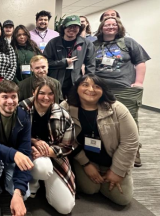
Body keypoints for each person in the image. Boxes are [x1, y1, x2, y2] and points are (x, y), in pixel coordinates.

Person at [62, 74, 139, 205]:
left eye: (96, 86)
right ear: (77, 88)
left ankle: (108, 177)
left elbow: (130, 142)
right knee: (89, 189)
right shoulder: (66, 107)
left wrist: (117, 171)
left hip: (113, 159)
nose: (91, 89)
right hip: (85, 158)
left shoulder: (117, 109)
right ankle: (96, 179)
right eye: (85, 85)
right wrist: (86, 164)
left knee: (123, 199)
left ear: (103, 90)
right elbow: (65, 139)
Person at [93, 17, 150, 167]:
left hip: (124, 88)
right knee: (102, 120)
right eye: (107, 24)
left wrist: (138, 83)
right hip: (100, 88)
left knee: (129, 121)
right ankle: (108, 151)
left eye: (114, 24)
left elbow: (140, 62)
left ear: (118, 27)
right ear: (101, 27)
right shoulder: (95, 44)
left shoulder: (128, 42)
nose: (110, 27)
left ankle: (134, 153)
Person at [19, 78, 75, 214]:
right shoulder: (20, 108)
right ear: (34, 92)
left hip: (54, 157)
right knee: (43, 168)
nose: (46, 97)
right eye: (42, 93)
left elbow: (68, 146)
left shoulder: (63, 115)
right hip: (26, 153)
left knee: (65, 207)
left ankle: (44, 182)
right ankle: (33, 182)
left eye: (50, 94)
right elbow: (11, 136)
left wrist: (47, 152)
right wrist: (32, 142)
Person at [0, 80, 32, 216]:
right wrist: (14, 153)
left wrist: (18, 192)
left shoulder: (24, 116)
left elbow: (26, 152)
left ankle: (9, 186)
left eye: (13, 96)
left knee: (24, 194)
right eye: (5, 97)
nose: (10, 101)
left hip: (11, 155)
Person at [43, 15, 95, 99]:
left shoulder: (87, 44)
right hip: (56, 83)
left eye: (75, 26)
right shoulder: (53, 43)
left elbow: (91, 66)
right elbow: (46, 63)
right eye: (69, 26)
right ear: (64, 27)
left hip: (77, 84)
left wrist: (88, 83)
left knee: (74, 108)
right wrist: (63, 63)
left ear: (79, 28)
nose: (72, 29)